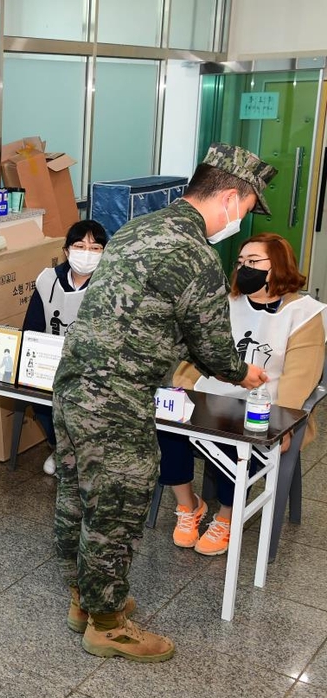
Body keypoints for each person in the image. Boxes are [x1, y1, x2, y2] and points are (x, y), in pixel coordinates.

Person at [52, 143, 275, 663]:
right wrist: (245, 373)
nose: (240, 221)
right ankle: (106, 625)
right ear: (227, 197)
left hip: (74, 384)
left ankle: (84, 598)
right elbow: (214, 347)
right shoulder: (195, 255)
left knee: (76, 493)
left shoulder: (141, 228)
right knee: (118, 505)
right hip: (116, 398)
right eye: (244, 209)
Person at [162, 233, 326, 555]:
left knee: (241, 438)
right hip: (212, 392)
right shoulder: (227, 303)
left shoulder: (304, 313)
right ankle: (188, 505)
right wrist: (179, 389)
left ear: (278, 266)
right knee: (168, 426)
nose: (244, 269)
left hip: (266, 402)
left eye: (254, 262)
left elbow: (300, 375)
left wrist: (284, 422)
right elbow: (199, 350)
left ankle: (226, 517)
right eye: (240, 263)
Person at [23, 220, 109, 476]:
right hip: (51, 365)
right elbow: (32, 327)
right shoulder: (48, 280)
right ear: (66, 250)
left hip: (92, 371)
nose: (87, 252)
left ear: (105, 253)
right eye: (80, 245)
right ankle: (61, 448)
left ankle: (80, 455)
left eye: (95, 248)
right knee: (39, 402)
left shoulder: (110, 286)